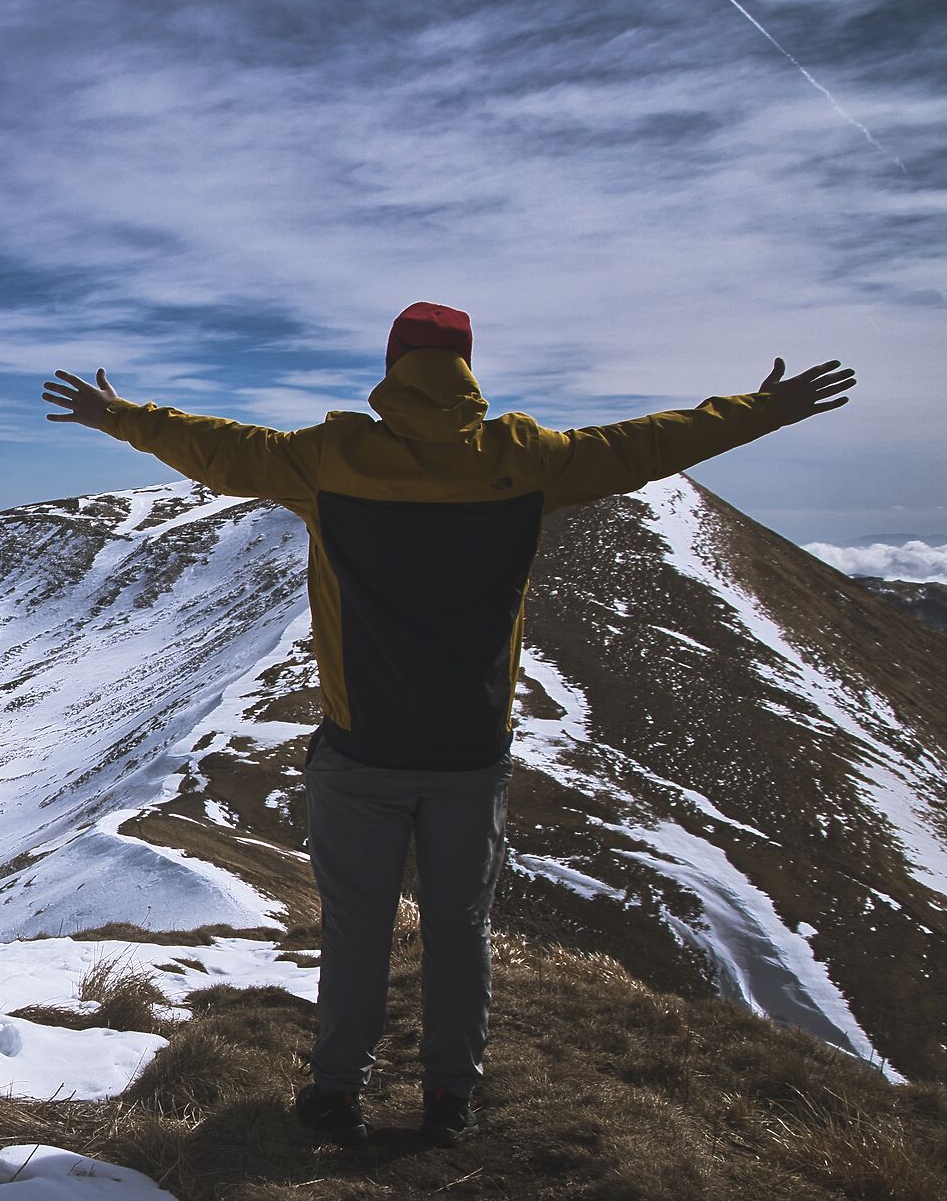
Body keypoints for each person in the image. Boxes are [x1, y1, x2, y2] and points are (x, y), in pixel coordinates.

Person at [42, 303, 854, 1147]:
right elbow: (651, 443)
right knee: (460, 931)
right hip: (472, 757)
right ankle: (447, 1100)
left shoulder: (328, 459)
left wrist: (120, 417)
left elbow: (216, 448)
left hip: (362, 753)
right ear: (467, 366)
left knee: (357, 932)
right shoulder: (527, 461)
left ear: (393, 364)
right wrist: (764, 411)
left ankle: (335, 1095)